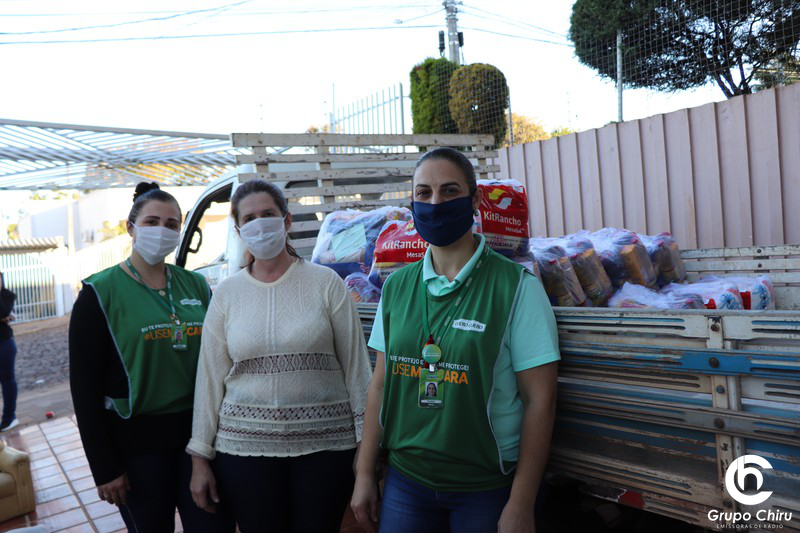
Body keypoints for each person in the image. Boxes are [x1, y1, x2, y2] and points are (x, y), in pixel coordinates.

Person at [351, 147, 561, 533]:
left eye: (449, 191)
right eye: (424, 193)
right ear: (412, 203)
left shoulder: (516, 287)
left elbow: (540, 401)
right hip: (405, 483)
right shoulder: (396, 288)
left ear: (475, 200)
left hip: (484, 489)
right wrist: (365, 472)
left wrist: (522, 502)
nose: (435, 203)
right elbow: (380, 386)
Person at [187, 179, 372, 533]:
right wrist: (200, 458)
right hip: (244, 451)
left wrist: (366, 451)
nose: (259, 225)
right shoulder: (226, 294)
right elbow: (208, 381)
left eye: (268, 214)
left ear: (286, 221)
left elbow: (357, 370)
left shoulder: (326, 283)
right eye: (249, 218)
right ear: (239, 229)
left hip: (325, 449)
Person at [69, 182, 234, 533]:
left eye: (172, 224)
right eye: (152, 222)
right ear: (130, 228)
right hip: (136, 448)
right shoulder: (99, 292)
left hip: (199, 439)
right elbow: (84, 388)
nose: (162, 230)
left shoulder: (196, 285)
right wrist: (104, 467)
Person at [0, 270, 18, 432]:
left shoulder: (7, 296)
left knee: (7, 380)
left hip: (4, 342)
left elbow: (3, 311)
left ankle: (9, 417)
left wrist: (4, 317)